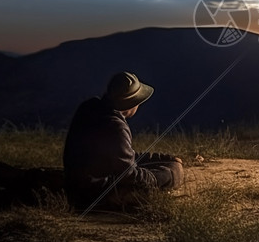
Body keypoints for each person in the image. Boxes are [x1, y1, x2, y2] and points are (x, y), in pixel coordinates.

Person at [62, 71, 183, 211]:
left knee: (169, 165)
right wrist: (162, 177)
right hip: (95, 191)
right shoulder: (115, 127)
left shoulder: (89, 107)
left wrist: (163, 158)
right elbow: (128, 174)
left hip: (79, 181)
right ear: (131, 104)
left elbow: (121, 157)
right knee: (173, 174)